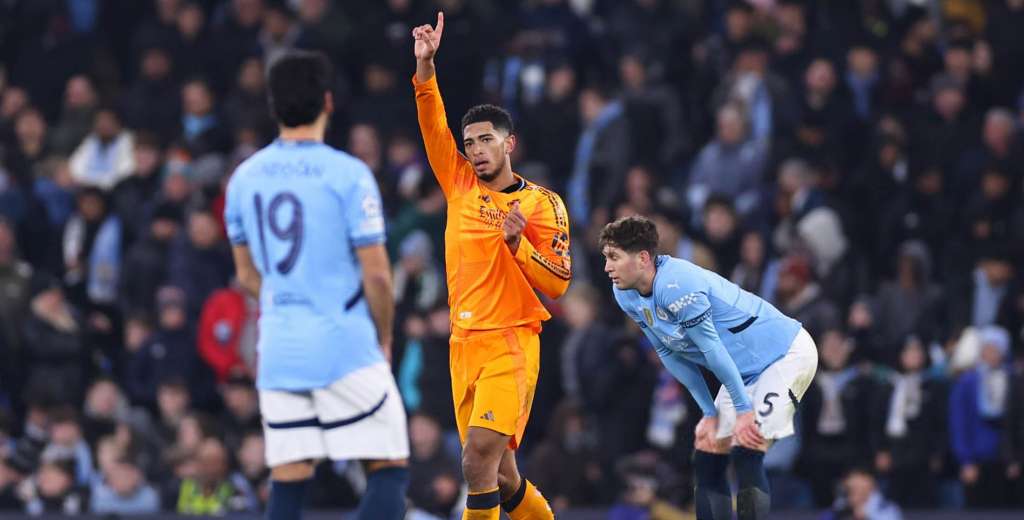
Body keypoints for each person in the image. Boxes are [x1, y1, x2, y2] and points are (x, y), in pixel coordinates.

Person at [224, 50, 409, 520]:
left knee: (289, 476)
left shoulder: (244, 178)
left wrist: (288, 300)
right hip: (343, 342)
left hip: (280, 348)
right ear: (328, 101)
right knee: (388, 465)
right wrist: (383, 336)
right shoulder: (348, 174)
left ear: (273, 106)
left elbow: (247, 275)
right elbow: (378, 274)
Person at [412, 12, 572, 520]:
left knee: (476, 455)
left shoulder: (543, 206)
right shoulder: (459, 185)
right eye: (470, 142)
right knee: (500, 473)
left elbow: (559, 283)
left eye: (486, 140)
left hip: (510, 340)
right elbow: (431, 120)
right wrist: (425, 68)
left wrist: (520, 244)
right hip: (464, 346)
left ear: (509, 144)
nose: (476, 150)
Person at [600, 216, 819, 520]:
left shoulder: (678, 285)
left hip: (785, 354)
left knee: (747, 442)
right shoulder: (624, 293)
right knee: (707, 449)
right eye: (605, 257)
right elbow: (668, 351)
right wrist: (709, 412)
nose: (607, 267)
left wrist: (742, 410)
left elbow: (712, 350)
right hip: (743, 369)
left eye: (613, 258)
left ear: (642, 258)